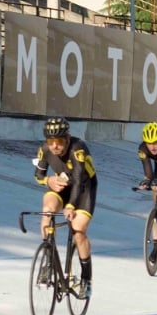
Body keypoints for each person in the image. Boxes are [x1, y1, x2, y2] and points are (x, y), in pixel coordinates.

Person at [33, 116, 97, 299]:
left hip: (84, 189)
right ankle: (48, 256)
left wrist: (70, 206)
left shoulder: (78, 149)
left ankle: (86, 279)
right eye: (51, 141)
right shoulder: (44, 150)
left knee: (78, 230)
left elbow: (77, 181)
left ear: (67, 139)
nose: (54, 146)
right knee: (47, 210)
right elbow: (38, 175)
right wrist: (48, 180)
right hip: (62, 186)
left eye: (59, 141)